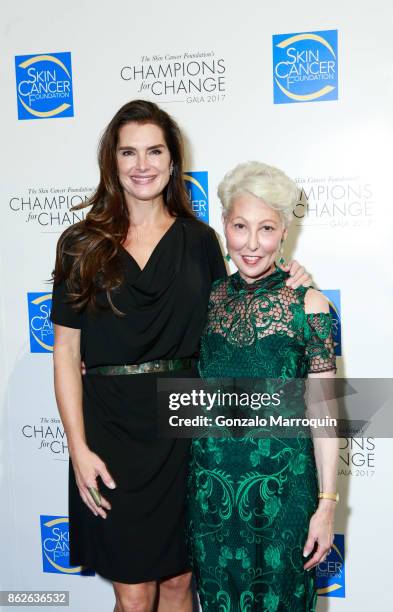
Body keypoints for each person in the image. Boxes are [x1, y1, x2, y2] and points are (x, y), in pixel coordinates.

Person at [51, 100, 312, 612]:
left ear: (173, 162)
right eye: (129, 152)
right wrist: (78, 449)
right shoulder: (80, 244)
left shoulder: (199, 241)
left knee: (178, 584)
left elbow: (238, 308)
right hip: (110, 430)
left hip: (186, 429)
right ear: (113, 161)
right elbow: (65, 351)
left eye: (155, 151)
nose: (142, 164)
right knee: (132, 592)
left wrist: (292, 281)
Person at [187, 162, 338, 612]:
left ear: (284, 232)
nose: (252, 244)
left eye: (266, 228)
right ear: (224, 227)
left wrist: (327, 504)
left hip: (283, 497)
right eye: (240, 226)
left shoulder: (309, 304)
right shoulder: (208, 298)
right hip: (209, 494)